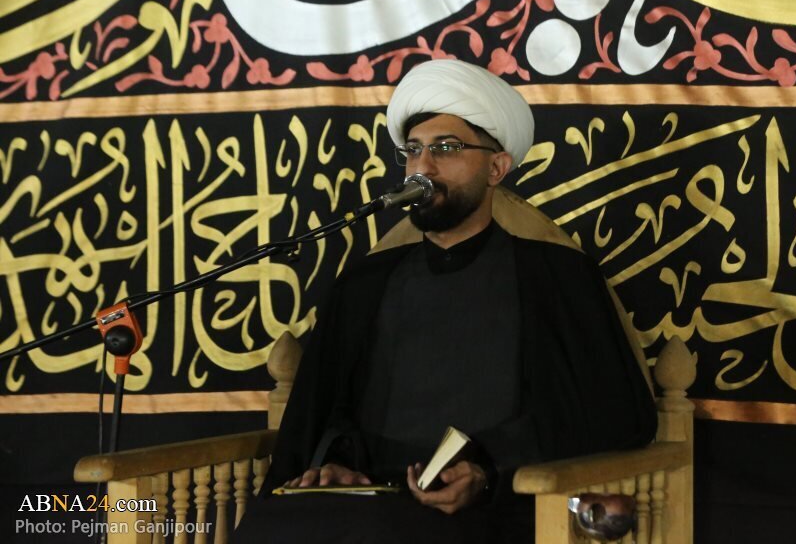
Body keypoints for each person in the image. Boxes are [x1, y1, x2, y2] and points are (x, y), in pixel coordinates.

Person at [235, 59, 657, 543]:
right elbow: (324, 418)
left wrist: (488, 467)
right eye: (413, 150)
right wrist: (337, 462)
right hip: (369, 502)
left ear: (496, 167)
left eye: (446, 148)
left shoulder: (556, 276)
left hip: (496, 506)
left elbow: (615, 416)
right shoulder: (363, 285)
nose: (423, 168)